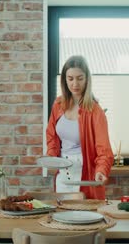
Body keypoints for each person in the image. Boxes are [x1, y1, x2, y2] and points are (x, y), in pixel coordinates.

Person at [45, 55, 114, 200]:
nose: (75, 84)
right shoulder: (58, 105)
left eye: (80, 78)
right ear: (64, 79)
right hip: (62, 176)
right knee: (61, 218)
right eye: (70, 78)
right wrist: (51, 156)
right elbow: (51, 135)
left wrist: (101, 170)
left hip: (85, 176)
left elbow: (104, 150)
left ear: (87, 79)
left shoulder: (95, 111)